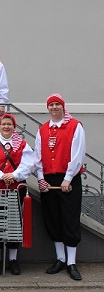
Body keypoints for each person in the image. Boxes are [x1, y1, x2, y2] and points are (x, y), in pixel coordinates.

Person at [34, 94, 85, 281]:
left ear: (63, 107)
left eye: (57, 104)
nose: (54, 107)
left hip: (68, 178)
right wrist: (40, 178)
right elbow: (38, 156)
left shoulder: (75, 126)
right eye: (51, 105)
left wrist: (68, 178)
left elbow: (78, 153)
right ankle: (60, 259)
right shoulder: (43, 129)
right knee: (53, 218)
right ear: (48, 108)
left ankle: (72, 262)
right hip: (49, 179)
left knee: (69, 218)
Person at [0, 113, 34, 276]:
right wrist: (2, 175)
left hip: (16, 189)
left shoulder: (23, 145)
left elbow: (28, 164)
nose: (6, 126)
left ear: (14, 126)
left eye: (9, 124)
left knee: (15, 225)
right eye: (3, 124)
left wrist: (14, 175)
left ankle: (12, 260)